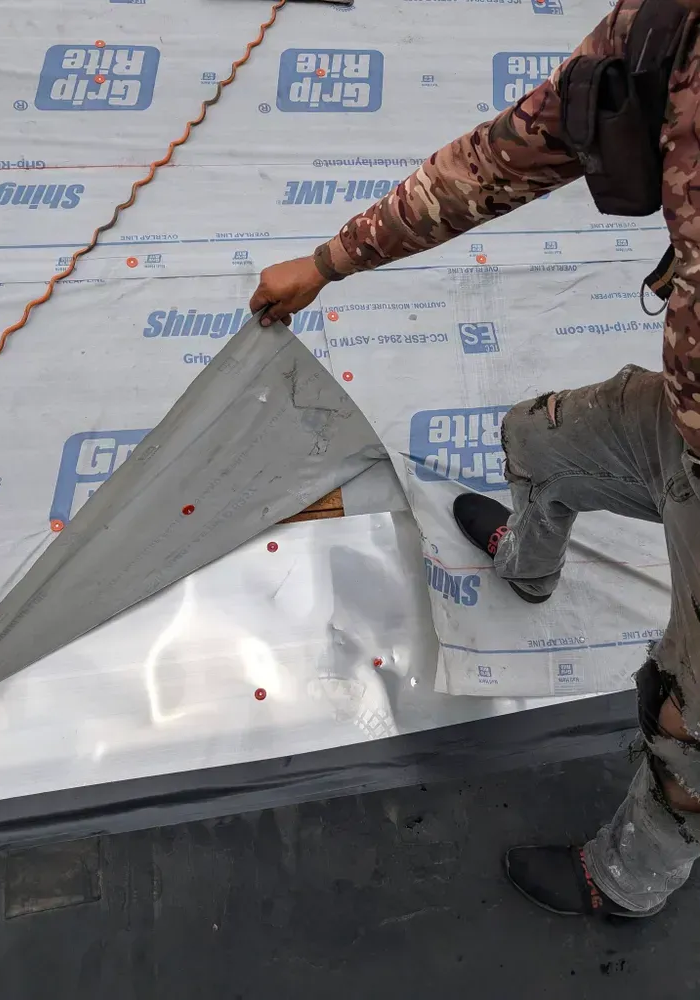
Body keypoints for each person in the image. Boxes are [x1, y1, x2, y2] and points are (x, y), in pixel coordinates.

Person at [249, 0, 700, 917]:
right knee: (534, 441)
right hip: (682, 412)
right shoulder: (669, 25)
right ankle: (528, 568)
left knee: (686, 718)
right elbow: (500, 156)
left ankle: (629, 881)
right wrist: (329, 262)